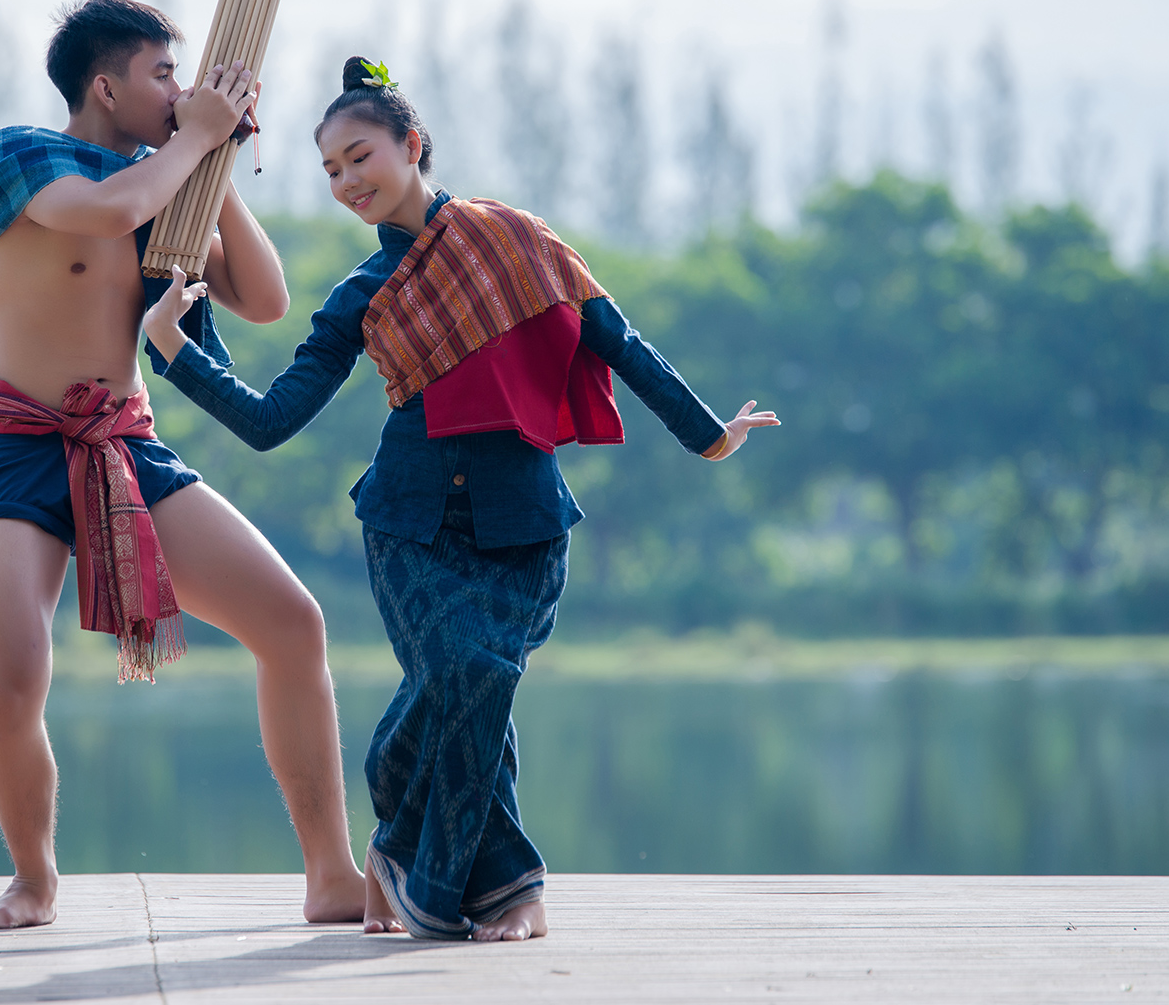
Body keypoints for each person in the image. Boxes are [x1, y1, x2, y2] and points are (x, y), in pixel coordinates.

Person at [143, 56, 779, 942]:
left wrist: (710, 432)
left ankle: (422, 861)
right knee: (467, 676)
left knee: (480, 690)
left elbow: (618, 338)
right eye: (329, 171)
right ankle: (487, 888)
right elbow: (271, 420)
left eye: (359, 156)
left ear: (411, 143)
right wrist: (177, 350)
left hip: (525, 522)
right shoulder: (362, 293)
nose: (346, 182)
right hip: (410, 524)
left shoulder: (519, 239)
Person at [0, 0, 365, 932]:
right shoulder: (20, 156)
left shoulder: (168, 177)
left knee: (294, 624)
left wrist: (215, 162)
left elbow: (261, 298)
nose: (180, 91)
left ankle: (332, 874)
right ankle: (33, 882)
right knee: (10, 673)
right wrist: (191, 144)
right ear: (105, 84)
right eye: (163, 75)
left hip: (124, 440)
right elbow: (105, 212)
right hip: (19, 444)